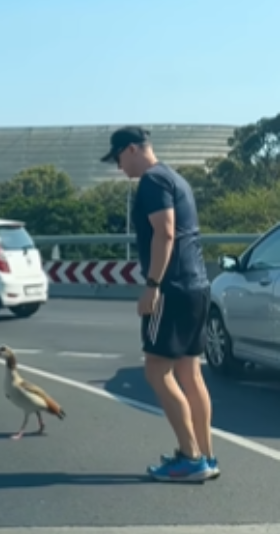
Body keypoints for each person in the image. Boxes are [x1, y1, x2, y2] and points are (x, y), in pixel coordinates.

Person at [100, 126, 219, 482]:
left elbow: (165, 233)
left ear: (133, 149)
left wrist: (152, 286)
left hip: (171, 287)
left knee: (156, 370)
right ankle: (206, 456)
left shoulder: (152, 182)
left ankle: (189, 456)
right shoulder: (175, 178)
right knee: (189, 372)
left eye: (119, 158)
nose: (120, 168)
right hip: (197, 284)